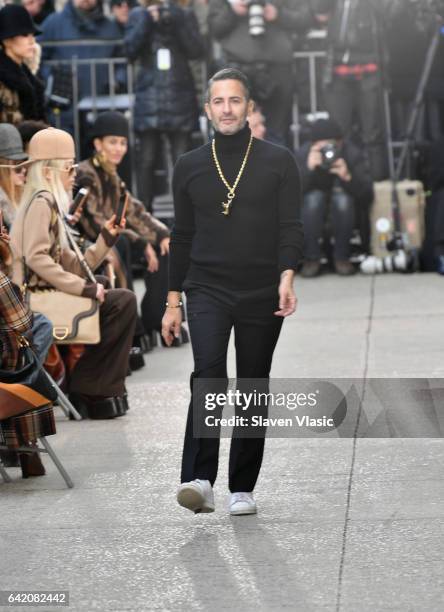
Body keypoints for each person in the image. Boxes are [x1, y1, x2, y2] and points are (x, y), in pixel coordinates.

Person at [162, 68, 303, 515]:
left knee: (252, 385)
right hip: (206, 287)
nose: (227, 109)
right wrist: (171, 302)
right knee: (208, 375)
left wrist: (287, 275)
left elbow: (290, 227)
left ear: (249, 108)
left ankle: (242, 486)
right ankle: (200, 478)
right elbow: (181, 237)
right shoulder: (188, 166)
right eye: (218, 101)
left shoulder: (279, 161)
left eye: (235, 101)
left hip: (262, 287)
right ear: (207, 110)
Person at [10, 127, 137, 419]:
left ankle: (94, 385)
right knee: (122, 302)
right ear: (52, 171)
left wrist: (105, 238)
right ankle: (91, 386)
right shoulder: (42, 203)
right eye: (69, 169)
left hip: (41, 294)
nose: (74, 176)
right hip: (34, 304)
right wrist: (84, 289)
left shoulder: (46, 203)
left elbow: (72, 262)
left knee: (114, 295)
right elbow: (39, 259)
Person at [76, 111, 171, 290]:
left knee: (164, 246)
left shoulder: (112, 175)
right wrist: (139, 241)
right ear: (98, 144)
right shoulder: (85, 174)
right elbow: (94, 223)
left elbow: (135, 211)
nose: (119, 148)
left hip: (115, 237)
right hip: (88, 245)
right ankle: (130, 315)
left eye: (123, 143)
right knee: (122, 242)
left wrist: (162, 235)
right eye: (113, 142)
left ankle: (158, 315)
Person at [124, 0, 204, 210]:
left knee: (182, 161)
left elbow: (196, 49)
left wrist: (177, 18)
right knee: (147, 160)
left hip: (179, 94)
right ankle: (144, 214)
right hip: (150, 95)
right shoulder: (138, 15)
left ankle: (185, 213)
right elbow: (130, 49)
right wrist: (147, 21)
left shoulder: (184, 14)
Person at [316, 0, 403, 181]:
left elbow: (392, 13)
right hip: (337, 68)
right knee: (339, 134)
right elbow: (318, 10)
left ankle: (378, 188)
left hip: (370, 66)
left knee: (373, 133)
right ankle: (342, 189)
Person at [208, 0, 315, 145]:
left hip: (278, 67)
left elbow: (306, 19)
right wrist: (232, 11)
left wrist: (278, 14)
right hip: (238, 67)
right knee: (232, 129)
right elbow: (214, 28)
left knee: (277, 132)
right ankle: (234, 167)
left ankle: (275, 167)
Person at [297, 117, 374, 277]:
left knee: (343, 200)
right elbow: (289, 195)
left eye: (332, 146)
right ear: (313, 145)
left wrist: (348, 177)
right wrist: (308, 170)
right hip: (313, 205)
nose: (328, 152)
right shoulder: (304, 154)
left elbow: (368, 195)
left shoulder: (351, 153)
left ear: (340, 143)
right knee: (313, 200)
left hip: (344, 206)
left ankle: (342, 258)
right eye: (322, 148)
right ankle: (311, 259)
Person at [38, 0, 123, 132]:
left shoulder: (110, 27)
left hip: (100, 106)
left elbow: (122, 60)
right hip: (63, 108)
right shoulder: (54, 23)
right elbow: (37, 55)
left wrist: (117, 81)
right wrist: (51, 80)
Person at [0, 4, 46, 125]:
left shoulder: (27, 74)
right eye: (25, 35)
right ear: (7, 40)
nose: (32, 41)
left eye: (32, 35)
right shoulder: (3, 78)